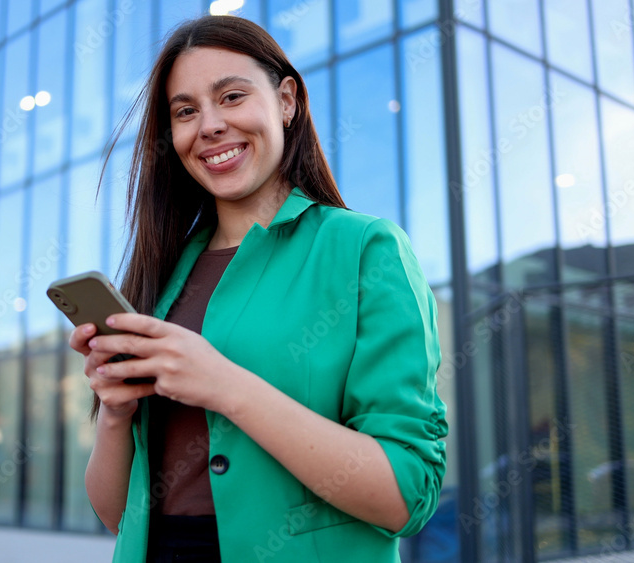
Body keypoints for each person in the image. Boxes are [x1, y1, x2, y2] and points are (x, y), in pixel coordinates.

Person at [68, 15, 448, 563]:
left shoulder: (365, 249)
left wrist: (223, 385)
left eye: (232, 96)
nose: (210, 125)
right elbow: (114, 516)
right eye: (185, 111)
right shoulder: (165, 273)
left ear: (287, 101)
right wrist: (115, 411)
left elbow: (407, 495)